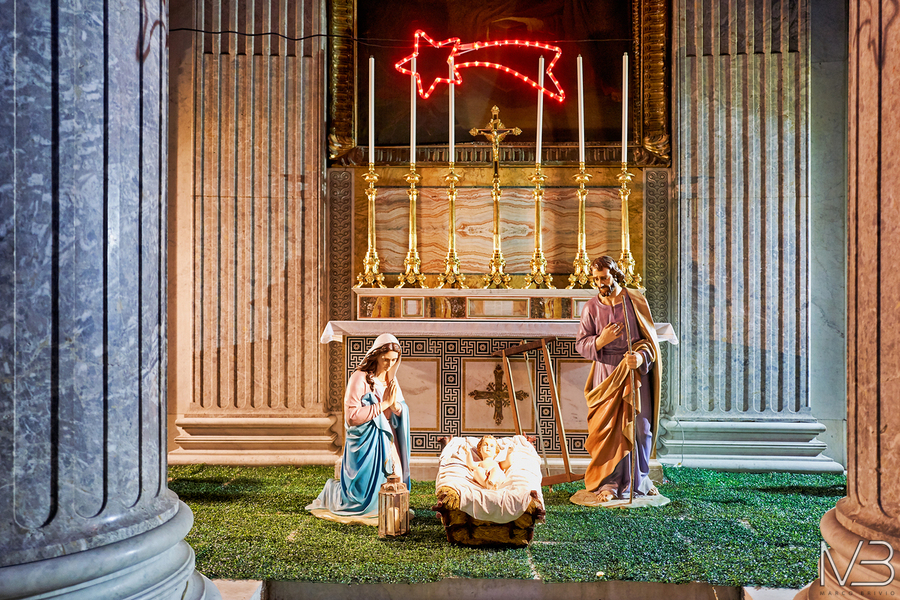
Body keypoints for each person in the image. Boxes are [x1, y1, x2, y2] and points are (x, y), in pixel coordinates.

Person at [574, 255, 662, 502]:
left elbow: (650, 341)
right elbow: (581, 344)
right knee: (608, 432)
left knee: (640, 429)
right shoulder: (591, 307)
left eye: (603, 278)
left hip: (633, 373)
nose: (600, 283)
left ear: (615, 275)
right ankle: (609, 483)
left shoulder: (635, 301)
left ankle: (639, 479)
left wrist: (641, 357)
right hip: (606, 374)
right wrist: (601, 341)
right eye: (595, 279)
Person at [306, 333, 411, 524]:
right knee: (360, 492)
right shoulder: (359, 378)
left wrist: (395, 406)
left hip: (387, 438)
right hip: (366, 440)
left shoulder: (391, 380)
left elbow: (399, 408)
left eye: (394, 360)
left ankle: (386, 505)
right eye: (385, 359)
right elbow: (352, 417)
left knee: (393, 476)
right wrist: (384, 404)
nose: (389, 364)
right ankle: (342, 495)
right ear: (376, 356)